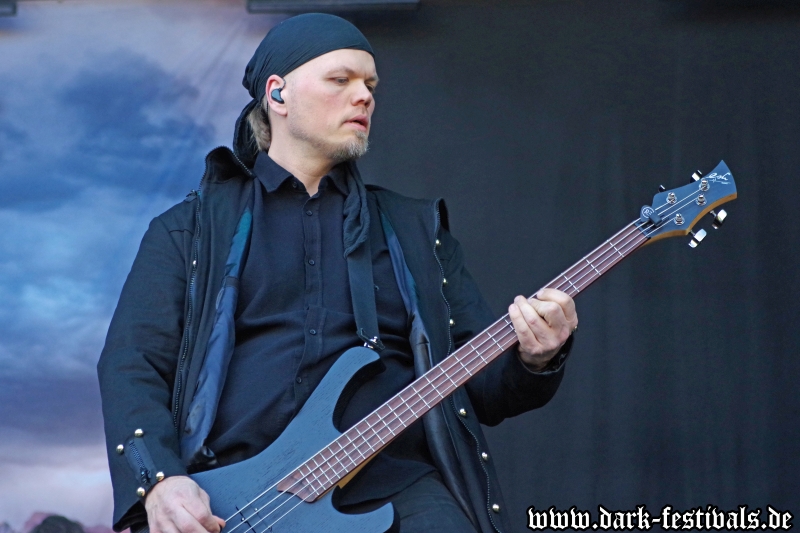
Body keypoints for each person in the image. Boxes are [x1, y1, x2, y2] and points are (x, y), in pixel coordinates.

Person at [97, 13, 578, 533]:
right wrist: (161, 479)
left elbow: (485, 388)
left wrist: (536, 357)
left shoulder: (414, 231)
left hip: (396, 485)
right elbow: (132, 364)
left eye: (370, 84)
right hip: (239, 499)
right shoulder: (191, 230)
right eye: (341, 79)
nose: (364, 96)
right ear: (277, 94)